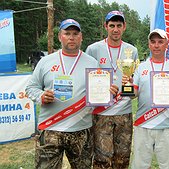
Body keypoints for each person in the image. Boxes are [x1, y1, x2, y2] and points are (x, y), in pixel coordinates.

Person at [25, 19, 119, 169]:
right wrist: (41, 96)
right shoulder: (46, 62)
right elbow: (31, 88)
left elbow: (98, 93)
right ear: (59, 37)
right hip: (51, 129)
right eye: (67, 33)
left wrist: (109, 93)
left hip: (81, 129)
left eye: (75, 34)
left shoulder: (92, 63)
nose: (71, 37)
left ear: (81, 37)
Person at [124, 29, 169, 169]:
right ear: (149, 44)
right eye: (153, 42)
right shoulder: (140, 67)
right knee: (139, 165)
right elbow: (133, 94)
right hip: (143, 124)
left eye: (160, 42)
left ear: (166, 44)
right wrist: (127, 86)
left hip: (166, 125)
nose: (156, 45)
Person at [85, 10, 138, 169]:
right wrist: (101, 87)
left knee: (122, 157)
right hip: (102, 112)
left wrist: (130, 83)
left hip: (124, 112)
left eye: (119, 25)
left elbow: (133, 82)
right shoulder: (93, 49)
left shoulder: (132, 50)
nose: (115, 29)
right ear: (106, 26)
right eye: (112, 25)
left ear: (124, 27)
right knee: (102, 159)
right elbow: (86, 80)